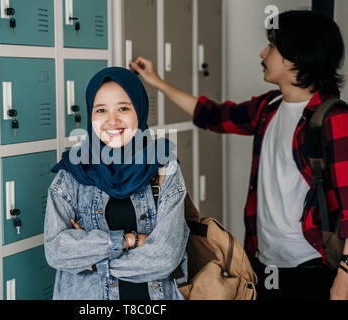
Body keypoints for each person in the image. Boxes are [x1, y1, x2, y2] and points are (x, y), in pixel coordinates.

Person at [130, 10, 348, 300]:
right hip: (264, 262)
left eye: (272, 45)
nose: (263, 52)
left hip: (312, 268)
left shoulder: (334, 118)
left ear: (295, 58)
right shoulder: (268, 108)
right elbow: (213, 115)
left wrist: (344, 276)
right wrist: (156, 81)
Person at [44, 67, 189, 300]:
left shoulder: (163, 166)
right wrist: (128, 240)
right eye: (101, 110)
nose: (112, 120)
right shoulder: (72, 172)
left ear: (140, 110)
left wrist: (93, 261)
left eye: (123, 108)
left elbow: (165, 256)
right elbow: (56, 251)